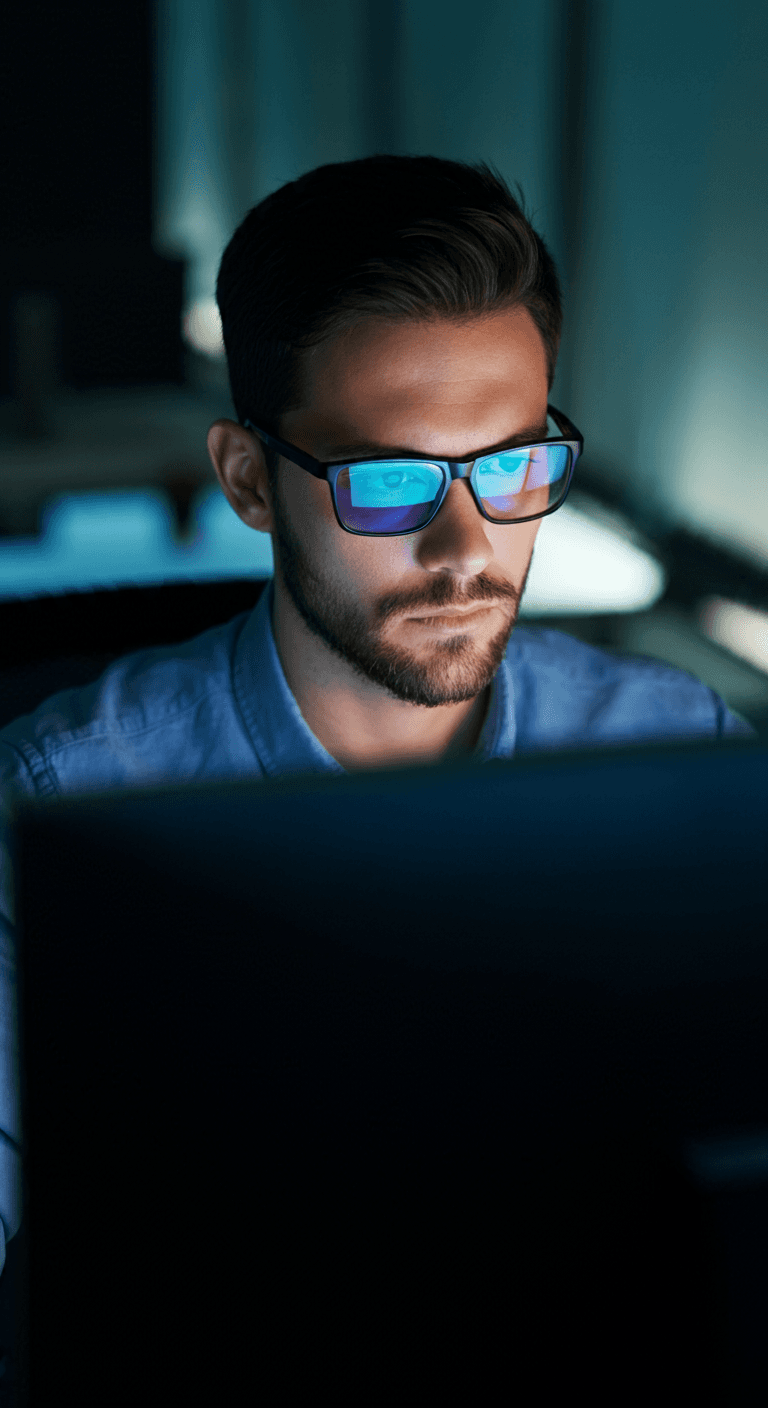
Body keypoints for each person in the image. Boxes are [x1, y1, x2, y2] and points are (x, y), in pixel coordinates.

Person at [0, 155, 756, 1266]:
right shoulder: (62, 803)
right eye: (391, 481)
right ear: (251, 482)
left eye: (512, 467)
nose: (467, 551)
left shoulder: (677, 753)